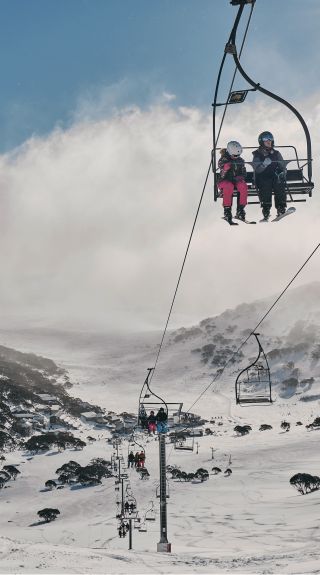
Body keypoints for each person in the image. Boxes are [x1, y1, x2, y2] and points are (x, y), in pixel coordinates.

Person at [252, 131, 287, 221]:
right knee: (266, 184)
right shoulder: (257, 154)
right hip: (262, 177)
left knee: (279, 182)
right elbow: (257, 169)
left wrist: (283, 171)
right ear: (261, 141)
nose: (268, 141)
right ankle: (266, 209)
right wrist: (264, 165)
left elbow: (282, 165)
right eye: (266, 139)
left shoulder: (276, 153)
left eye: (270, 139)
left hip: (274, 176)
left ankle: (281, 208)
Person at [218, 141, 248, 224]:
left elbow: (244, 173)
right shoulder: (223, 160)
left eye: (238, 155)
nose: (236, 157)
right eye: (235, 155)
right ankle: (227, 211)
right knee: (228, 186)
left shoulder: (240, 161)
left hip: (236, 181)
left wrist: (240, 177)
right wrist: (225, 169)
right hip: (224, 182)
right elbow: (222, 174)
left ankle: (240, 210)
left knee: (243, 186)